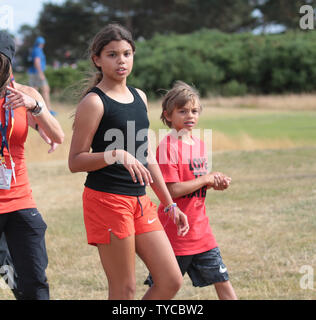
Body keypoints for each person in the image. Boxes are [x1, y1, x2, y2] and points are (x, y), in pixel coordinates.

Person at [68, 24, 190, 300]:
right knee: (124, 290)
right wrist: (115, 154)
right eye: (112, 55)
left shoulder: (140, 97)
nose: (121, 60)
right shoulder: (94, 102)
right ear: (97, 60)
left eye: (126, 53)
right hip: (107, 201)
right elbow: (75, 161)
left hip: (139, 200)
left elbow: (147, 156)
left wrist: (169, 203)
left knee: (170, 280)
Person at [144, 81, 238, 300]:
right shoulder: (167, 147)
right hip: (175, 232)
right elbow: (173, 190)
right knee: (164, 288)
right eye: (183, 111)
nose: (190, 116)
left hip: (201, 230)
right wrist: (206, 178)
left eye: (194, 111)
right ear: (168, 115)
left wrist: (215, 181)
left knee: (222, 280)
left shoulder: (199, 145)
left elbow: (195, 182)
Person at [0, 31, 64, 299]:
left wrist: (35, 107)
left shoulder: (25, 94)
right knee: (9, 272)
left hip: (20, 202)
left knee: (35, 281)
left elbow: (59, 135)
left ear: (8, 61)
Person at [28, 36, 56, 116]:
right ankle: (48, 109)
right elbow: (37, 62)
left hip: (33, 73)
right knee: (46, 89)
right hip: (37, 73)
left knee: (34, 91)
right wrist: (41, 73)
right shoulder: (38, 50)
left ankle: (34, 109)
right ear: (41, 43)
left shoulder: (35, 49)